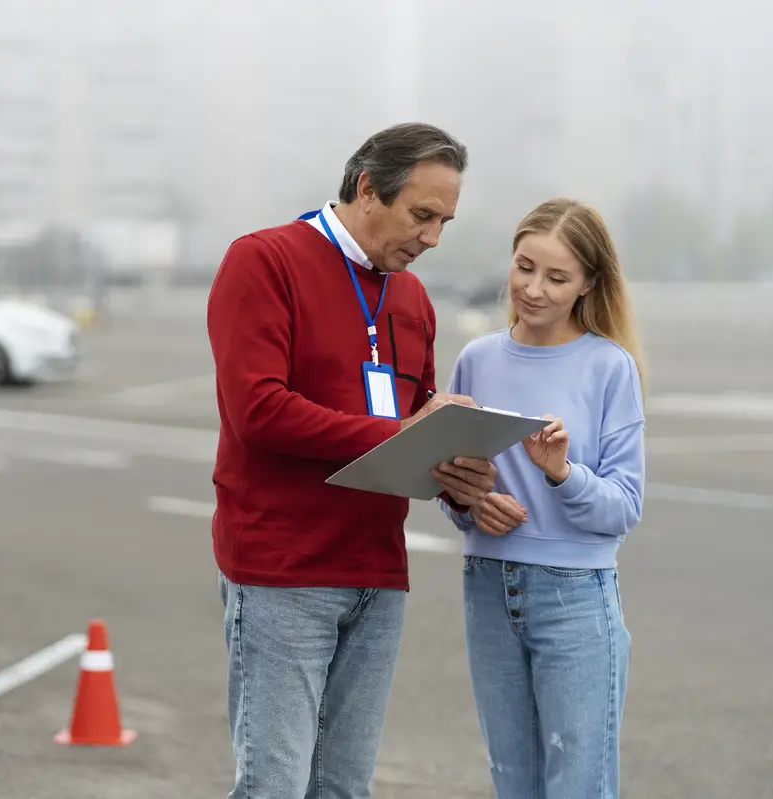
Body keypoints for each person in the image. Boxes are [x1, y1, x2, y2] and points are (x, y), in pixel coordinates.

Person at [206, 122, 498, 798]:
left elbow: (420, 429)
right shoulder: (263, 260)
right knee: (274, 785)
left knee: (343, 789)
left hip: (377, 571)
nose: (433, 238)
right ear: (368, 188)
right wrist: (399, 430)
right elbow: (258, 410)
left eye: (445, 221)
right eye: (422, 215)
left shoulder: (413, 297)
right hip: (283, 571)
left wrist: (461, 477)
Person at [437, 197, 646, 798]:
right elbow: (451, 479)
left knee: (578, 782)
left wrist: (562, 473)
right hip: (487, 586)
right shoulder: (476, 359)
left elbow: (624, 506)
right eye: (524, 266)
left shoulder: (610, 367)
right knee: (514, 781)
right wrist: (469, 504)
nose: (534, 288)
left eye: (557, 278)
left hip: (575, 598)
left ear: (587, 284)